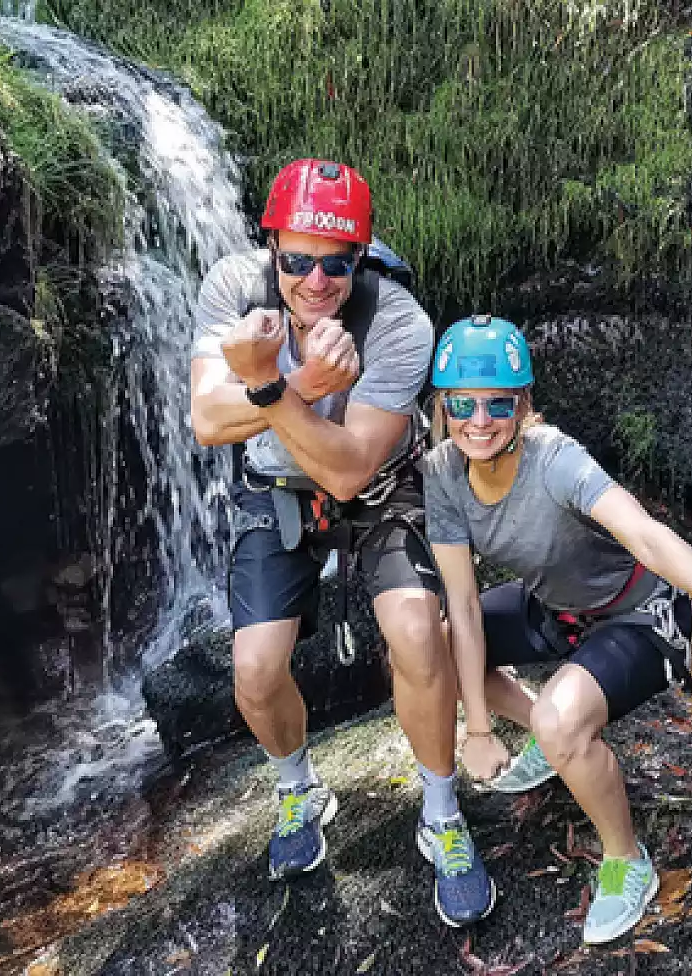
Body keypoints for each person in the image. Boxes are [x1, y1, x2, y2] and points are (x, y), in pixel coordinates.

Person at [420, 315, 692, 943]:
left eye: (498, 402)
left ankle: (627, 859)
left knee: (561, 719)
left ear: (522, 405)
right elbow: (462, 607)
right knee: (433, 642)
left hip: (640, 615)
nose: (479, 419)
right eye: (462, 402)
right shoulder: (441, 471)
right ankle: (551, 741)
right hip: (555, 609)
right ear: (441, 405)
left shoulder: (556, 460)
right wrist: (478, 726)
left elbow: (648, 538)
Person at [189, 159, 494, 925]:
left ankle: (441, 810)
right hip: (275, 488)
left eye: (335, 262)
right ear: (272, 246)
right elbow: (205, 421)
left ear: (360, 256)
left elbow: (354, 468)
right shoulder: (232, 289)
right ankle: (298, 790)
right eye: (296, 260)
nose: (315, 279)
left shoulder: (397, 321)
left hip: (380, 487)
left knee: (418, 633)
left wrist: (262, 386)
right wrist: (302, 389)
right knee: (254, 674)